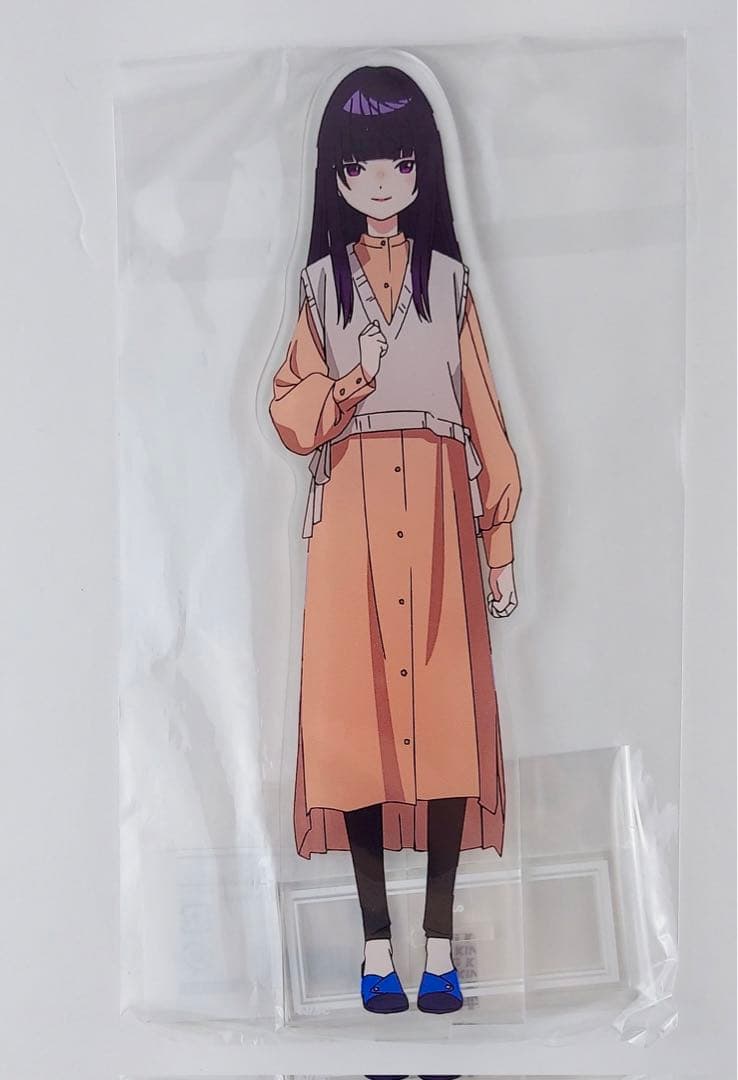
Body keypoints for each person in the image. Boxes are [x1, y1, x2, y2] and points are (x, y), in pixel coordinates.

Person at [270, 64, 521, 1015]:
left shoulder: (449, 283)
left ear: (424, 170)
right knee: (359, 728)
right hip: (352, 518)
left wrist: (499, 537)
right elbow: (289, 413)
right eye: (362, 164)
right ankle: (376, 945)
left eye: (402, 162)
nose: (382, 182)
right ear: (336, 174)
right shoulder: (317, 287)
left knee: (448, 721)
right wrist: (350, 382)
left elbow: (486, 413)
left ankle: (441, 946)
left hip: (442, 515)